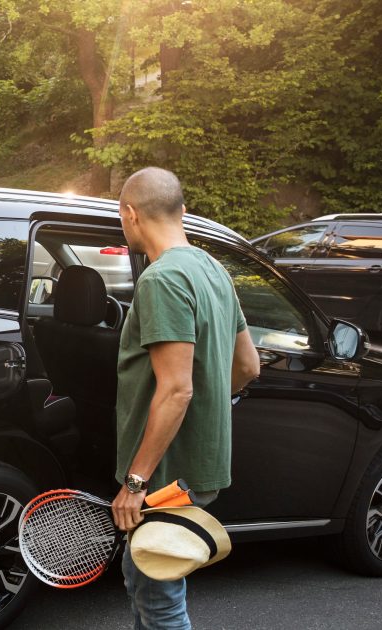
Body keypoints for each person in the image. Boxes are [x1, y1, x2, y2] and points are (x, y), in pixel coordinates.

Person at [109, 167, 260, 629]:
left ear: (130, 214)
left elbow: (176, 388)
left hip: (165, 475)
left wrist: (136, 483)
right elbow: (249, 366)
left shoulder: (162, 280)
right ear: (183, 212)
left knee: (159, 602)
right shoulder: (211, 268)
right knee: (147, 578)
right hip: (196, 464)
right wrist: (212, 406)